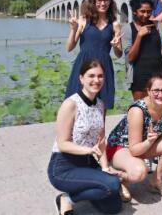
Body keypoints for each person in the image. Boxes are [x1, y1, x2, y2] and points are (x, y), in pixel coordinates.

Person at [48, 60, 123, 215]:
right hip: (64, 166)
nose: (96, 80)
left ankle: (86, 188)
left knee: (113, 207)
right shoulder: (70, 104)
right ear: (81, 78)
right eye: (91, 76)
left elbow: (101, 141)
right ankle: (66, 199)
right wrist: (88, 150)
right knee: (113, 184)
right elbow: (62, 144)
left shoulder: (100, 105)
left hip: (87, 164)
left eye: (100, 76)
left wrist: (104, 168)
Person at [107, 73, 162, 200]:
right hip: (121, 147)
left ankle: (156, 180)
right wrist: (149, 142)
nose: (160, 94)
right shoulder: (138, 110)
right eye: (156, 90)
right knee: (139, 172)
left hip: (146, 143)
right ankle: (120, 179)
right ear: (148, 91)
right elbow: (134, 150)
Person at [66, 0, 122, 109]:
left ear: (110, 2)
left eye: (106, 0)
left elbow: (119, 54)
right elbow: (69, 47)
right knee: (79, 106)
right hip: (84, 65)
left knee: (102, 106)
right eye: (99, 0)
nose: (103, 3)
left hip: (104, 67)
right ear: (93, 1)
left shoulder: (115, 24)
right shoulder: (83, 20)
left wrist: (115, 46)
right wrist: (73, 29)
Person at [126, 0, 162, 100]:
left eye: (149, 11)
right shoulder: (128, 28)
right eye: (142, 11)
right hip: (139, 77)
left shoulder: (158, 25)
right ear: (135, 11)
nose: (146, 15)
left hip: (159, 76)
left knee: (159, 107)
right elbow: (130, 58)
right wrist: (139, 36)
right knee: (140, 108)